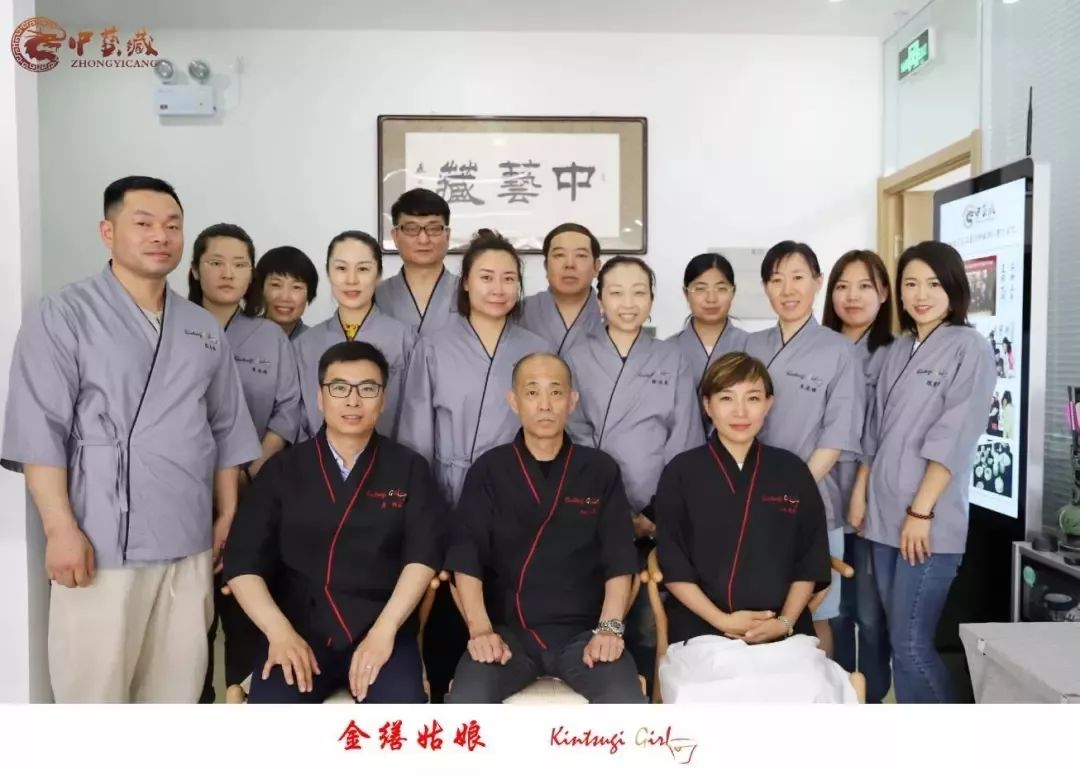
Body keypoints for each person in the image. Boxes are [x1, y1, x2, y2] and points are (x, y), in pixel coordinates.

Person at [1, 176, 261, 703]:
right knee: (94, 692)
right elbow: (40, 431)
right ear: (108, 231)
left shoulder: (201, 326)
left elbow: (226, 428)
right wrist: (59, 528)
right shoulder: (64, 314)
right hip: (99, 539)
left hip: (187, 537)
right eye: (143, 224)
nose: (160, 236)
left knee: (176, 689)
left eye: (172, 225)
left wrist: (228, 514)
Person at [223, 341, 445, 703]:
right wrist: (279, 632)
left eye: (367, 389)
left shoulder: (408, 468)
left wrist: (385, 632)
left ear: (383, 399)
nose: (353, 401)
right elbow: (242, 561)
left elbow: (423, 556)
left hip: (380, 629)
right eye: (339, 388)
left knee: (402, 713)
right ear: (320, 398)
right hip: (298, 632)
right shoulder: (282, 470)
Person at [444, 353, 646, 703]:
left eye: (555, 392)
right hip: (507, 636)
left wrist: (609, 630)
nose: (545, 405)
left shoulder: (599, 469)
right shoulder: (489, 469)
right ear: (514, 401)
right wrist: (481, 631)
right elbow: (466, 556)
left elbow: (619, 558)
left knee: (624, 701)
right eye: (532, 392)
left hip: (585, 635)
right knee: (467, 701)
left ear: (572, 401)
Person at [398, 228, 548, 700]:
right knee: (445, 610)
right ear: (465, 283)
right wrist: (425, 509)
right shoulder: (434, 345)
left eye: (508, 278)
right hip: (448, 492)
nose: (498, 288)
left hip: (518, 496)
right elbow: (417, 433)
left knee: (508, 603)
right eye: (486, 277)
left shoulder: (537, 347)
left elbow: (549, 428)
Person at [653, 353, 848, 703]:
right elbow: (674, 563)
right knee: (718, 695)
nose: (740, 412)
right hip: (704, 631)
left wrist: (784, 622)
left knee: (809, 694)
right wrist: (722, 621)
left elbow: (810, 557)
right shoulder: (680, 473)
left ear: (768, 404)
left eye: (753, 398)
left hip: (784, 633)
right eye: (727, 398)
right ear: (708, 406)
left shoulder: (792, 471)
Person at [851, 240, 996, 703]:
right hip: (882, 519)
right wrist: (860, 495)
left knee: (911, 645)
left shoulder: (970, 348)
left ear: (954, 287)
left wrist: (921, 511)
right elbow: (874, 430)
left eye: (933, 284)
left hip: (926, 525)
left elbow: (955, 434)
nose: (921, 294)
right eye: (911, 284)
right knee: (895, 640)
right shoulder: (898, 348)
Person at [562, 255, 701, 693]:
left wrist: (653, 513)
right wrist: (614, 508)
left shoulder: (672, 358)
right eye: (616, 292)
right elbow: (573, 430)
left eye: (639, 292)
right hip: (593, 505)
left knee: (648, 618)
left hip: (655, 511)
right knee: (592, 606)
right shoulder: (576, 356)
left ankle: (643, 701)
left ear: (652, 300)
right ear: (599, 301)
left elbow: (684, 437)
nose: (628, 303)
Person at [187, 222, 303, 704]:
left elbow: (288, 408)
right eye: (216, 262)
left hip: (254, 490)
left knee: (246, 603)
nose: (228, 273)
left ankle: (242, 699)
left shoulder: (269, 336)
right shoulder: (174, 326)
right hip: (187, 490)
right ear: (195, 269)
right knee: (190, 616)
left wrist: (250, 464)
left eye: (239, 264)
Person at [745, 240, 863, 658]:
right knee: (754, 611)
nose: (788, 289)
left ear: (817, 282)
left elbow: (836, 437)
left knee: (816, 615)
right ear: (765, 287)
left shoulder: (840, 351)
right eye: (776, 280)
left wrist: (787, 492)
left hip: (814, 502)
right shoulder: (749, 347)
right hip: (748, 503)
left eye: (798, 277)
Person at [821, 249, 895, 704]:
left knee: (868, 609)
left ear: (883, 293)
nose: (852, 296)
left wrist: (861, 490)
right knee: (831, 606)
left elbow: (885, 428)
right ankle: (838, 693)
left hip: (870, 495)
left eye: (865, 286)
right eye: (843, 286)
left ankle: (872, 695)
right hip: (823, 492)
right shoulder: (818, 347)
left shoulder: (894, 353)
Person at [295, 231, 415, 440]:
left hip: (389, 456)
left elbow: (415, 412)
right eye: (341, 268)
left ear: (379, 274)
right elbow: (298, 419)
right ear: (328, 272)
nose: (351, 280)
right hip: (319, 457)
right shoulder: (305, 344)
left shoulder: (405, 339)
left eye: (363, 269)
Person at [668, 253, 749, 435]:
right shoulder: (666, 350)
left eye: (721, 288)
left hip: (738, 445)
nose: (711, 298)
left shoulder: (752, 346)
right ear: (685, 293)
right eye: (700, 289)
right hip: (681, 448)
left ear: (733, 292)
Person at [377, 188, 458, 335]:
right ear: (395, 236)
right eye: (411, 229)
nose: (423, 239)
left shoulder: (470, 293)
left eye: (433, 228)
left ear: (447, 235)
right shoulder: (375, 295)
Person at [520, 223, 603, 354]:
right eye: (559, 255)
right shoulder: (519, 312)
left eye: (581, 255)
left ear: (596, 267)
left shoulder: (614, 312)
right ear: (546, 266)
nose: (569, 264)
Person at [247, 245, 320, 341]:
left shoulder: (320, 345)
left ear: (309, 294)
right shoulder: (241, 338)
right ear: (261, 289)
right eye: (276, 285)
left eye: (296, 287)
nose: (285, 297)